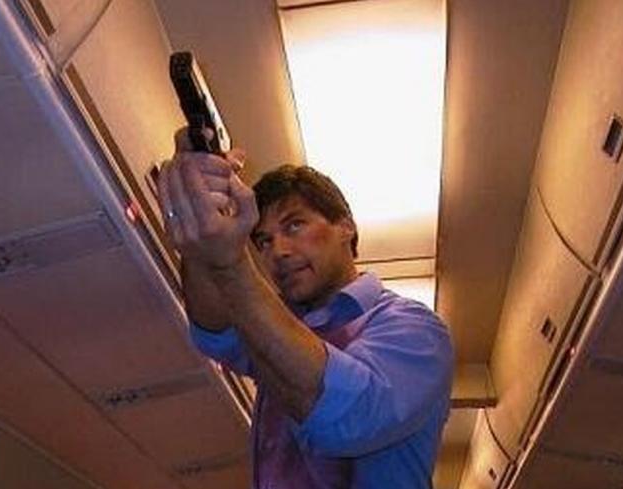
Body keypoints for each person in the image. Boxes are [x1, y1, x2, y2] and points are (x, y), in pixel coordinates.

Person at [157, 130, 454, 489]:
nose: (278, 251)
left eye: (294, 225)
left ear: (346, 227)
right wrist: (200, 227)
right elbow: (214, 332)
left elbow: (347, 420)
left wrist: (231, 265)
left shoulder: (414, 328)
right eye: (263, 240)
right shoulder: (279, 323)